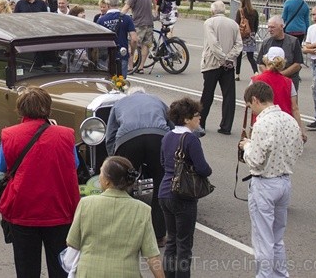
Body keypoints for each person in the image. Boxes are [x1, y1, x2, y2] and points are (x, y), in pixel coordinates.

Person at [0, 87, 80, 278]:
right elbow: (73, 164)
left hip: (22, 210)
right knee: (60, 267)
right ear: (48, 109)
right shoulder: (66, 134)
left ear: (20, 110)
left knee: (26, 268)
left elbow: (2, 166)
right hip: (59, 209)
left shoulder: (10, 135)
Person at [239, 82, 303, 278]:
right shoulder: (289, 119)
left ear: (256, 100)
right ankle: (280, 274)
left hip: (265, 184)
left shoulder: (262, 123)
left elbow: (256, 160)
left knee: (262, 239)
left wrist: (246, 147)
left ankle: (264, 275)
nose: (252, 111)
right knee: (277, 238)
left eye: (251, 106)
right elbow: (298, 149)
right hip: (284, 181)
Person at [67, 156, 164, 278]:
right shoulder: (142, 210)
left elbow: (72, 242)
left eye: (101, 173)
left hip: (89, 273)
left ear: (107, 181)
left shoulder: (86, 204)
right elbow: (152, 256)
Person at [105, 87, 170, 245]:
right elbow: (172, 124)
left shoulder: (120, 103)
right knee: (161, 183)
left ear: (130, 95)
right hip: (158, 137)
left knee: (125, 183)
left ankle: (126, 232)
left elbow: (111, 133)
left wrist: (113, 158)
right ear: (145, 93)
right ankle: (159, 234)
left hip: (129, 139)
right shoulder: (157, 99)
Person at [159, 97, 212, 278]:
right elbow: (203, 169)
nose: (199, 118)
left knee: (171, 242)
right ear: (187, 119)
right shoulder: (191, 140)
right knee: (184, 245)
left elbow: (162, 162)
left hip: (164, 193)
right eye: (197, 115)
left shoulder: (167, 136)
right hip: (183, 195)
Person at [198, 1, 242, 136]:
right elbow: (239, 44)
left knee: (207, 95)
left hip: (212, 63)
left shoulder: (209, 23)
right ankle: (226, 126)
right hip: (228, 65)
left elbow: (213, 43)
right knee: (229, 96)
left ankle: (201, 124)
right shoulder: (233, 24)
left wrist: (222, 58)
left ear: (212, 11)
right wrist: (229, 57)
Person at [251, 48, 307, 142]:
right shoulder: (288, 82)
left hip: (263, 124)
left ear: (266, 60)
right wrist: (301, 130)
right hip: (284, 125)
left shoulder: (256, 80)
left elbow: (249, 103)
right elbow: (294, 108)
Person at [257, 15, 304, 92]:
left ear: (281, 26)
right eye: (268, 27)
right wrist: (269, 75)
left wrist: (280, 75)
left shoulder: (293, 41)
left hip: (288, 80)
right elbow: (261, 63)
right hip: (270, 82)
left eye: (272, 27)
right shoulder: (266, 43)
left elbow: (297, 64)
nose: (269, 30)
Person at [98, 0, 138, 77]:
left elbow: (98, 40)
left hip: (106, 56)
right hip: (122, 54)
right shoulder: (127, 18)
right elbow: (134, 39)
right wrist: (132, 53)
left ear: (107, 4)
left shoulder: (101, 20)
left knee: (107, 82)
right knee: (121, 83)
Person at [122, 0, 154, 74]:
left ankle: (130, 67)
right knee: (146, 45)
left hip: (138, 24)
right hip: (149, 23)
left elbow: (126, 7)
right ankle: (141, 67)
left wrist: (119, 16)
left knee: (132, 44)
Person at [234, 0, 259, 81]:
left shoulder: (240, 11)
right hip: (250, 35)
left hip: (241, 36)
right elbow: (256, 25)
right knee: (250, 57)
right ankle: (256, 72)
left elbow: (237, 24)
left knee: (239, 56)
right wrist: (252, 33)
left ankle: (237, 75)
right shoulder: (254, 12)